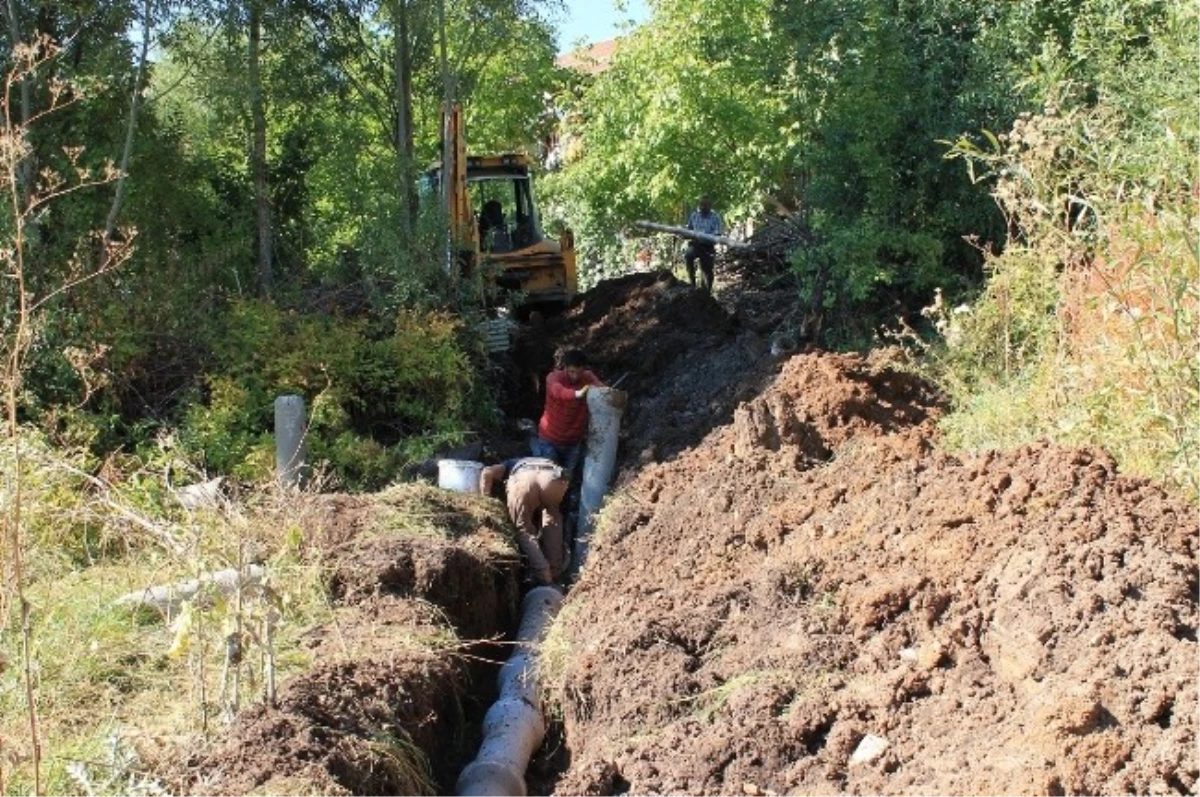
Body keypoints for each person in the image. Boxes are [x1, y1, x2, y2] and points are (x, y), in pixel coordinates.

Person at [480, 457, 569, 586]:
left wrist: (486, 501)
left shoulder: (508, 464)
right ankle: (555, 571)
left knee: (523, 529)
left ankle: (544, 574)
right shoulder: (535, 459)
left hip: (525, 477)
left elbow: (487, 472)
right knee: (553, 520)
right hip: (554, 477)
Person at [533, 349, 604, 479]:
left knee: (567, 479)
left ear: (584, 369)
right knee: (550, 479)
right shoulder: (554, 377)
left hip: (573, 442)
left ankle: (568, 497)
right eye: (572, 371)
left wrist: (607, 393)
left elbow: (602, 390)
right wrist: (577, 394)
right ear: (565, 368)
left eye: (579, 372)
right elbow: (558, 391)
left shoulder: (588, 377)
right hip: (549, 440)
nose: (575, 376)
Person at [684, 195, 724, 293]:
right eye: (702, 204)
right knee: (688, 255)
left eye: (706, 205)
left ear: (710, 206)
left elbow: (717, 233)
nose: (703, 207)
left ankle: (706, 292)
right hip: (695, 244)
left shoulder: (715, 217)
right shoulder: (694, 215)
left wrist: (705, 236)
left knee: (707, 271)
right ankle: (692, 283)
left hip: (708, 246)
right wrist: (685, 233)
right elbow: (689, 229)